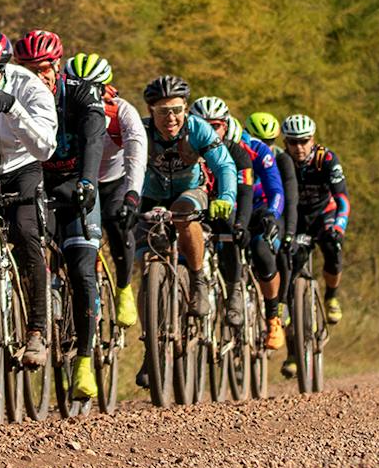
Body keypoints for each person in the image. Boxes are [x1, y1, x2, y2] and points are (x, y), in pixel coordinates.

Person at [0, 29, 57, 369]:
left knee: (25, 235)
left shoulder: (29, 86)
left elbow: (45, 148)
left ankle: (37, 330)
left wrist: (12, 107)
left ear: (4, 68)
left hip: (23, 167)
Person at [137, 76, 236, 334]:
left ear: (186, 109)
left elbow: (224, 165)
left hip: (190, 190)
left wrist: (226, 197)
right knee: (144, 260)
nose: (171, 118)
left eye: (177, 110)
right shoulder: (141, 131)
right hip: (152, 195)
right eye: (163, 111)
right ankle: (150, 343)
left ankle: (197, 280)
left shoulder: (198, 129)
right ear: (151, 111)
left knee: (183, 215)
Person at [41, 47, 110, 401]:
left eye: (44, 68)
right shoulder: (23, 91)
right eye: (30, 68)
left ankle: (84, 360)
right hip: (40, 186)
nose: (39, 75)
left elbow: (94, 139)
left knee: (82, 270)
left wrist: (87, 181)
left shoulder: (80, 93)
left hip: (78, 184)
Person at [278, 112, 350, 377]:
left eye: (304, 141)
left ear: (313, 140)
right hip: (296, 219)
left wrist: (338, 227)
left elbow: (342, 197)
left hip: (324, 215)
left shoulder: (326, 159)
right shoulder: (280, 159)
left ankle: (332, 296)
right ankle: (292, 353)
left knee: (332, 247)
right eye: (293, 142)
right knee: (288, 272)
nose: (299, 147)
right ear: (285, 142)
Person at [188, 96, 266, 331]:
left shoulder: (238, 153)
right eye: (201, 124)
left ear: (225, 125)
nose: (208, 131)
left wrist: (241, 225)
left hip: (224, 209)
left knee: (230, 231)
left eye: (215, 126)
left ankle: (234, 290)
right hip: (194, 207)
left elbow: (245, 193)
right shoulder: (184, 148)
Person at [90, 62, 148, 329]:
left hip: (115, 183)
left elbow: (136, 155)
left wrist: (133, 195)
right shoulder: (62, 107)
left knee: (119, 227)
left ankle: (123, 288)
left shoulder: (122, 111)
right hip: (80, 181)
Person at [239, 111, 289, 351]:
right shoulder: (210, 145)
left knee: (261, 249)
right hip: (232, 211)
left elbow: (277, 191)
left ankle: (273, 318)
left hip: (260, 210)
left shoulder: (259, 150)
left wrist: (272, 214)